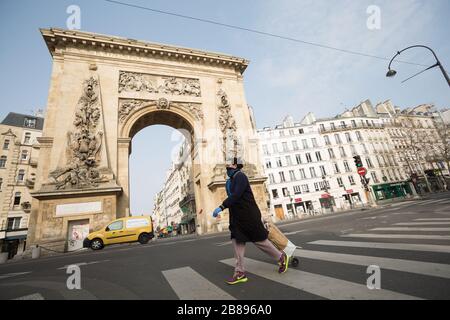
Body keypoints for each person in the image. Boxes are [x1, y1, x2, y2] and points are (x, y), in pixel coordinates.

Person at [212, 157, 289, 285]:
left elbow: (236, 195)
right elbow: (233, 198)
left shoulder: (241, 176)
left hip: (249, 216)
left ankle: (281, 257)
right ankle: (240, 272)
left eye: (229, 165)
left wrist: (221, 206)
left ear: (236, 165)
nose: (227, 167)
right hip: (237, 217)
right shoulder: (230, 180)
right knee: (237, 242)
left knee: (260, 241)